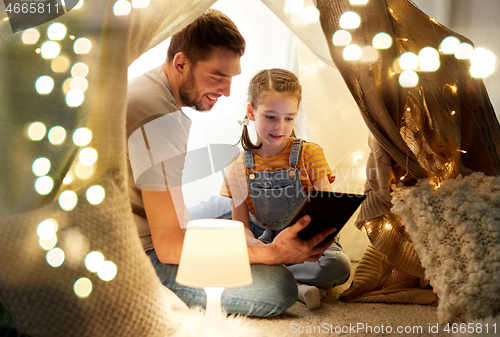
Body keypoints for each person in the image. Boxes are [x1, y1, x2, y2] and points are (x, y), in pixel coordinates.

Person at [126, 9, 337, 317]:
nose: (226, 92)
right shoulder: (159, 117)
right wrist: (272, 253)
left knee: (221, 211)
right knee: (278, 288)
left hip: (158, 226)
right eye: (217, 76)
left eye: (231, 78)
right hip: (142, 255)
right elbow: (169, 247)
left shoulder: (151, 91)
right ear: (181, 63)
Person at [220, 68, 352, 310]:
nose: (280, 127)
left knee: (338, 266)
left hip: (310, 245)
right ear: (251, 111)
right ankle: (296, 285)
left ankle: (284, 279)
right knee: (230, 258)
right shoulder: (237, 167)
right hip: (269, 243)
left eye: (289, 118)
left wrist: (307, 246)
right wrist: (264, 251)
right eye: (270, 117)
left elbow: (328, 209)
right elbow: (242, 229)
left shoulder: (310, 154)